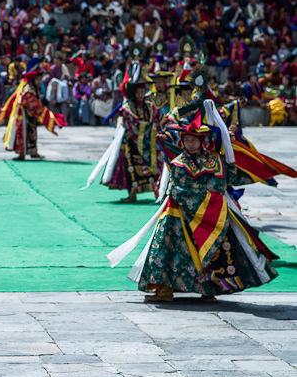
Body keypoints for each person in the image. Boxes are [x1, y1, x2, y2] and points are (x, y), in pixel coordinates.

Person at [109, 109, 280, 303]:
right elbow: (177, 189)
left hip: (212, 212)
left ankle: (209, 289)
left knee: (219, 250)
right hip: (181, 212)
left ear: (201, 141)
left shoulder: (216, 160)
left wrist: (234, 146)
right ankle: (164, 289)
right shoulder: (179, 163)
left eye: (193, 140)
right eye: (186, 140)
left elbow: (229, 179)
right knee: (167, 245)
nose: (190, 144)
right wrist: (205, 198)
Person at [85, 63, 159, 202]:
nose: (140, 95)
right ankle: (132, 194)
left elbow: (156, 119)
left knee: (154, 165)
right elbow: (131, 123)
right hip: (130, 142)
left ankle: (157, 191)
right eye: (137, 92)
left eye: (142, 92)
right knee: (129, 168)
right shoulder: (127, 107)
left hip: (148, 142)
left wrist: (156, 127)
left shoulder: (149, 106)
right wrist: (149, 127)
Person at [0, 65, 66, 160]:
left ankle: (34, 152)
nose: (41, 81)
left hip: (30, 115)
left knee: (32, 133)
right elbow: (33, 104)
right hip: (24, 116)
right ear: (36, 79)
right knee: (23, 134)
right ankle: (21, 154)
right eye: (40, 79)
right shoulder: (28, 90)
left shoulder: (33, 88)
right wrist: (48, 115)